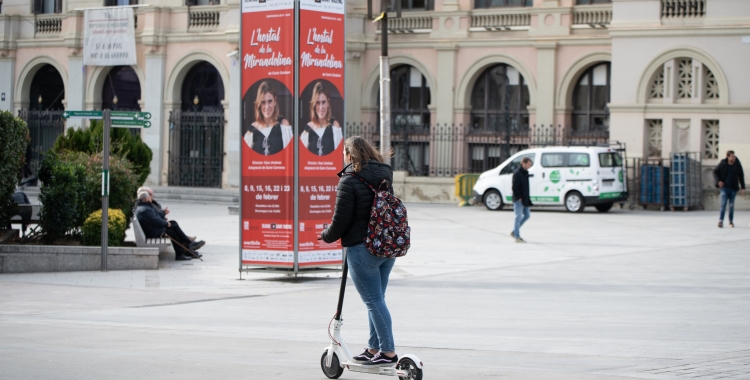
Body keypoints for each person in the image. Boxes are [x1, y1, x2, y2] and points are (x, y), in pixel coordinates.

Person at [320, 136, 399, 368]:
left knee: (374, 301)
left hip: (362, 249)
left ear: (350, 155)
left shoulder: (349, 180)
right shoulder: (384, 176)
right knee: (377, 300)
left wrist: (326, 235)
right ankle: (374, 348)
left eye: (344, 152)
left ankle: (388, 351)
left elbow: (340, 221)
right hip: (387, 247)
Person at [135, 191, 202, 261]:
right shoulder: (145, 209)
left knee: (174, 224)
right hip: (155, 232)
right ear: (146, 199)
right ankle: (182, 252)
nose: (151, 197)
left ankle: (187, 247)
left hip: (155, 229)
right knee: (174, 233)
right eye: (149, 196)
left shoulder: (145, 207)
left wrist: (164, 213)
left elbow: (157, 216)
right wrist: (166, 223)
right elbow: (155, 221)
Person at [243, 81, 293, 155]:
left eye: (270, 101)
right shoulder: (253, 129)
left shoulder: (284, 125)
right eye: (263, 102)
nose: (267, 107)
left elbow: (289, 155)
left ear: (275, 102)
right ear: (259, 104)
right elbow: (246, 157)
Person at [301, 82, 343, 156]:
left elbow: (339, 156)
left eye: (323, 102)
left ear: (328, 103)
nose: (321, 107)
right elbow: (303, 156)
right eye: (318, 103)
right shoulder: (308, 129)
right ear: (314, 105)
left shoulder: (335, 126)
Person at [713, 150, 745, 228]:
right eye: (732, 156)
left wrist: (743, 187)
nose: (734, 158)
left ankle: (731, 221)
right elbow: (715, 172)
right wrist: (718, 181)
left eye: (734, 156)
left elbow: (741, 176)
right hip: (724, 188)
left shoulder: (737, 165)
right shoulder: (723, 164)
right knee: (723, 204)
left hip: (733, 189)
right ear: (728, 157)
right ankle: (720, 221)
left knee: (731, 205)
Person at [511, 157, 533, 243]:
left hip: (524, 198)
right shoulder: (517, 173)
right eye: (528, 164)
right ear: (523, 163)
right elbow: (514, 187)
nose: (529, 166)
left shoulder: (525, 173)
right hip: (519, 199)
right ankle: (517, 236)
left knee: (527, 215)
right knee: (518, 217)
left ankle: (514, 231)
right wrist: (518, 197)